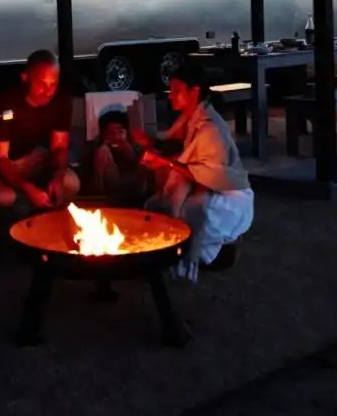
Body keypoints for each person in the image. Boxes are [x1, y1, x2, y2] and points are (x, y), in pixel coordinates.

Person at [141, 63, 254, 282]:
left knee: (192, 209)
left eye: (176, 91)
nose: (171, 97)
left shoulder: (211, 128)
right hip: (200, 186)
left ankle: (192, 257)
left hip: (229, 196)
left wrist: (166, 163)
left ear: (193, 92)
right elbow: (175, 146)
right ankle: (169, 251)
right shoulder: (191, 117)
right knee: (156, 206)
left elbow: (206, 176)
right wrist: (151, 144)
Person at [0, 49, 80, 211]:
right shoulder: (6, 103)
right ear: (25, 78)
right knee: (4, 197)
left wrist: (58, 176)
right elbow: (1, 160)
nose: (48, 92)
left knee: (70, 182)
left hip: (33, 157)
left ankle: (53, 226)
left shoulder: (61, 100)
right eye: (41, 84)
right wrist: (28, 188)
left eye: (53, 84)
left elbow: (60, 147)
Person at [85, 110, 152, 202]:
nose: (116, 137)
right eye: (111, 133)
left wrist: (130, 155)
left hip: (135, 192)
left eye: (120, 132)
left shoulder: (135, 146)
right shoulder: (100, 148)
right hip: (108, 192)